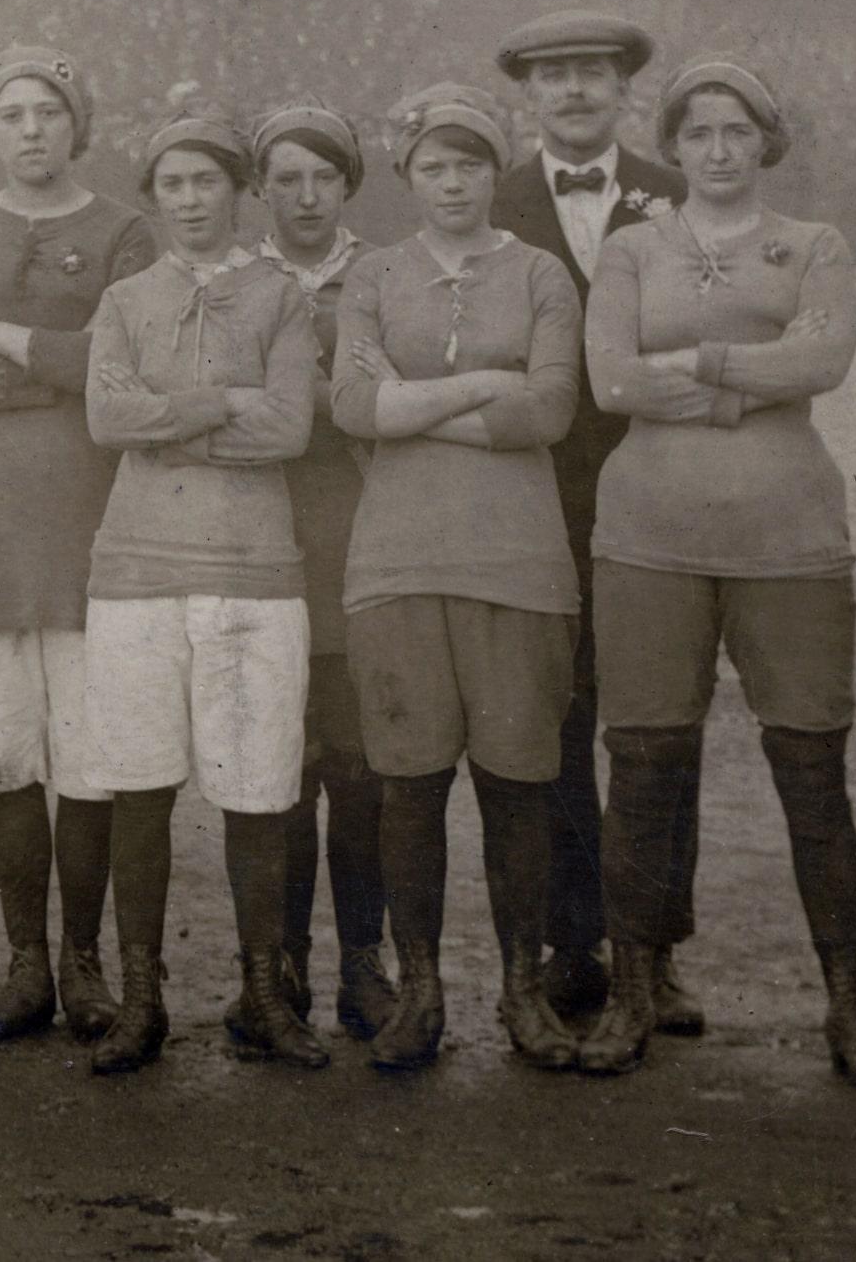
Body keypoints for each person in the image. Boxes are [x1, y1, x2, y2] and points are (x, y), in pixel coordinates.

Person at [576, 62, 856, 1087]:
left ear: (767, 140)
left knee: (810, 765)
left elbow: (821, 363)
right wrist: (745, 366)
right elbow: (610, 378)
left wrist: (701, 367)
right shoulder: (630, 246)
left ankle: (846, 1004)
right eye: (699, 131)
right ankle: (635, 988)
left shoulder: (813, 243)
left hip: (787, 535)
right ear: (672, 146)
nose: (718, 148)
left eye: (737, 130)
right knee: (642, 761)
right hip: (647, 534)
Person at [333, 86, 585, 1075]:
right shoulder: (373, 275)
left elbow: (553, 409)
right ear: (408, 175)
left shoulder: (539, 273)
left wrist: (413, 403)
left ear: (494, 172)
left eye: (469, 163)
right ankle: (422, 991)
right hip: (396, 556)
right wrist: (486, 383)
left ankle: (522, 989)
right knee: (408, 785)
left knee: (520, 783)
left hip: (517, 558)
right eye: (433, 165)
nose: (451, 181)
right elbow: (353, 404)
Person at [0, 48, 156, 1045]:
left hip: (91, 523)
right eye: (10, 113)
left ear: (77, 123)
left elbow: (119, 365)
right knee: (1, 746)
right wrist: (56, 370)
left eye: (47, 111)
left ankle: (84, 959)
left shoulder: (123, 232)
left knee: (89, 754)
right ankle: (24, 961)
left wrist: (16, 346)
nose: (29, 129)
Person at [78, 112, 320, 1074]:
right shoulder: (127, 297)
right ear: (155, 194)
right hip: (135, 568)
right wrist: (224, 401)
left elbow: (293, 427)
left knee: (259, 789)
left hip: (254, 565)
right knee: (140, 787)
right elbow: (105, 416)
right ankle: (143, 999)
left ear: (238, 189)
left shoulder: (282, 296)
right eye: (171, 183)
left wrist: (165, 423)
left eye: (206, 182)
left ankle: (264, 994)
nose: (189, 200)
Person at [489, 9, 693, 1031]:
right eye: (553, 74)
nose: (572, 90)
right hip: (535, 497)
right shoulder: (490, 199)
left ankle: (653, 946)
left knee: (656, 721)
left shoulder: (677, 191)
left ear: (624, 88)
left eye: (591, 73)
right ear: (526, 92)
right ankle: (574, 937)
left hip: (657, 480)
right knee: (557, 714)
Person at [249, 102, 394, 1043]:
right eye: (286, 178)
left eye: (323, 178)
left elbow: (375, 401)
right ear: (260, 188)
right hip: (259, 537)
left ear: (347, 185)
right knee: (277, 767)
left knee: (361, 763)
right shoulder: (234, 278)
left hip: (359, 535)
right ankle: (279, 965)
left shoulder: (383, 275)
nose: (305, 196)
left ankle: (362, 969)